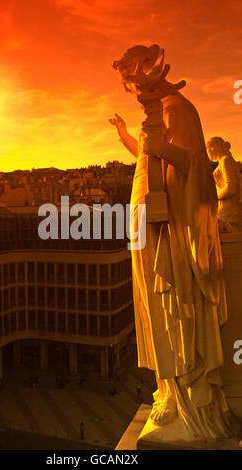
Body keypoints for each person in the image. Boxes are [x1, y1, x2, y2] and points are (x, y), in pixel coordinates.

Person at [109, 44, 234, 439]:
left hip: (168, 223)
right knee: (155, 306)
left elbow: (192, 164)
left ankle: (184, 397)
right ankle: (169, 388)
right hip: (147, 216)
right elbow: (147, 158)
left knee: (171, 305)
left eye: (131, 84)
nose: (131, 93)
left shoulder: (177, 108)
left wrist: (158, 145)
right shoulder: (160, 112)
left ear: (149, 73)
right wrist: (128, 136)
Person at [206, 136, 242, 232]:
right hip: (226, 209)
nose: (207, 154)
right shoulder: (224, 161)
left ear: (212, 148)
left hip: (229, 212)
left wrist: (214, 197)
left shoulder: (226, 161)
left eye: (207, 150)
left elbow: (231, 188)